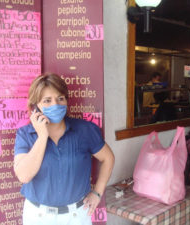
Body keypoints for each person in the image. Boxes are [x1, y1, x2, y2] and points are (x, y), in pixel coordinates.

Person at [14, 73, 115, 225]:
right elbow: (24, 176)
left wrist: (97, 193)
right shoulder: (25, 134)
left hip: (77, 215)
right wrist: (42, 136)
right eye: (47, 101)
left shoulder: (85, 130)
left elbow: (108, 158)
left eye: (60, 98)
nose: (55, 105)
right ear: (35, 107)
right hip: (38, 216)